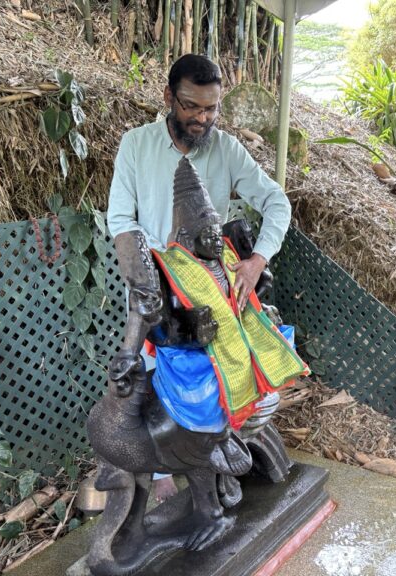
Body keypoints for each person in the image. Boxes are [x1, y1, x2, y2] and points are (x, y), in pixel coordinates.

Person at [106, 53, 293, 502]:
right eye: (191, 106)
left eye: (212, 108)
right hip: (158, 287)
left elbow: (277, 203)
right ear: (169, 97)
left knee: (243, 381)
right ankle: (177, 480)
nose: (202, 118)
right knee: (160, 393)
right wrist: (145, 284)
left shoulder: (227, 149)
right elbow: (119, 220)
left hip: (216, 289)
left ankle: (223, 457)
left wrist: (258, 261)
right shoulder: (137, 144)